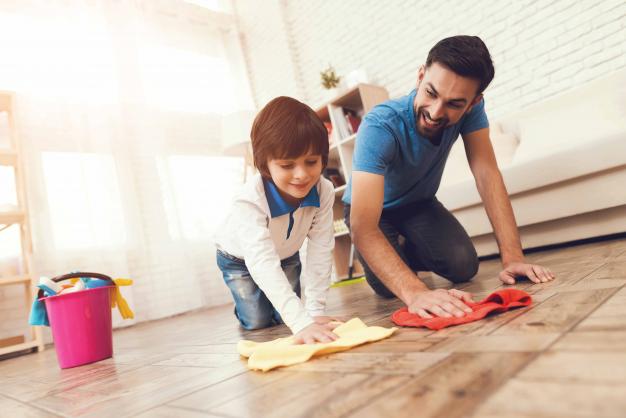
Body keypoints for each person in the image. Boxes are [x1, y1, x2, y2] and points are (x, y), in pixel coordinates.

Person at [343, 35, 555, 320]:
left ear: (473, 103)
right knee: (386, 286)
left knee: (463, 266)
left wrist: (513, 257)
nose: (435, 112)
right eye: (431, 93)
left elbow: (486, 173)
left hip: (418, 202)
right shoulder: (380, 125)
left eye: (454, 104)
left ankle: (403, 247)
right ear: (421, 76)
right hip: (374, 213)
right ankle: (395, 254)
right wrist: (415, 291)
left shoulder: (473, 111)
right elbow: (362, 226)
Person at [215, 96, 338, 344]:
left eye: (311, 162)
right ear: (265, 165)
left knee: (288, 317)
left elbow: (321, 249)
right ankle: (247, 305)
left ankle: (281, 306)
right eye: (287, 165)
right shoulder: (249, 199)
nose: (301, 175)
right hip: (238, 258)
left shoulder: (324, 190)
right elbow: (261, 261)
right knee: (258, 321)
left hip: (286, 254)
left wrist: (314, 313)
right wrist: (301, 322)